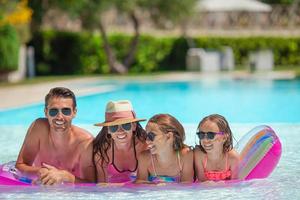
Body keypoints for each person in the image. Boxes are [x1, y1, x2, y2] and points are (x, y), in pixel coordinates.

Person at [15, 87, 95, 185]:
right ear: (46, 112)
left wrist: (65, 176)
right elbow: (20, 165)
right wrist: (39, 171)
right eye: (53, 111)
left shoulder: (85, 142)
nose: (59, 117)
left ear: (74, 112)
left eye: (66, 111)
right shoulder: (38, 128)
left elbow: (92, 184)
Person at [93, 100, 147, 183]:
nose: (120, 131)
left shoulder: (145, 145)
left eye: (126, 125)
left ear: (134, 126)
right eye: (114, 127)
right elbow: (102, 185)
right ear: (108, 130)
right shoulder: (102, 152)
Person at [135, 114, 194, 184]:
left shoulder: (185, 155)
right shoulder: (145, 158)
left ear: (169, 136)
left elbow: (187, 185)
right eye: (146, 135)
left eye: (151, 136)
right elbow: (140, 183)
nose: (147, 141)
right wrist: (156, 186)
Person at [194, 114, 239, 182]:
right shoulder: (199, 155)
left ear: (224, 137)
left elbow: (235, 183)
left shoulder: (232, 158)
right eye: (201, 135)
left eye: (211, 135)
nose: (205, 140)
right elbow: (202, 182)